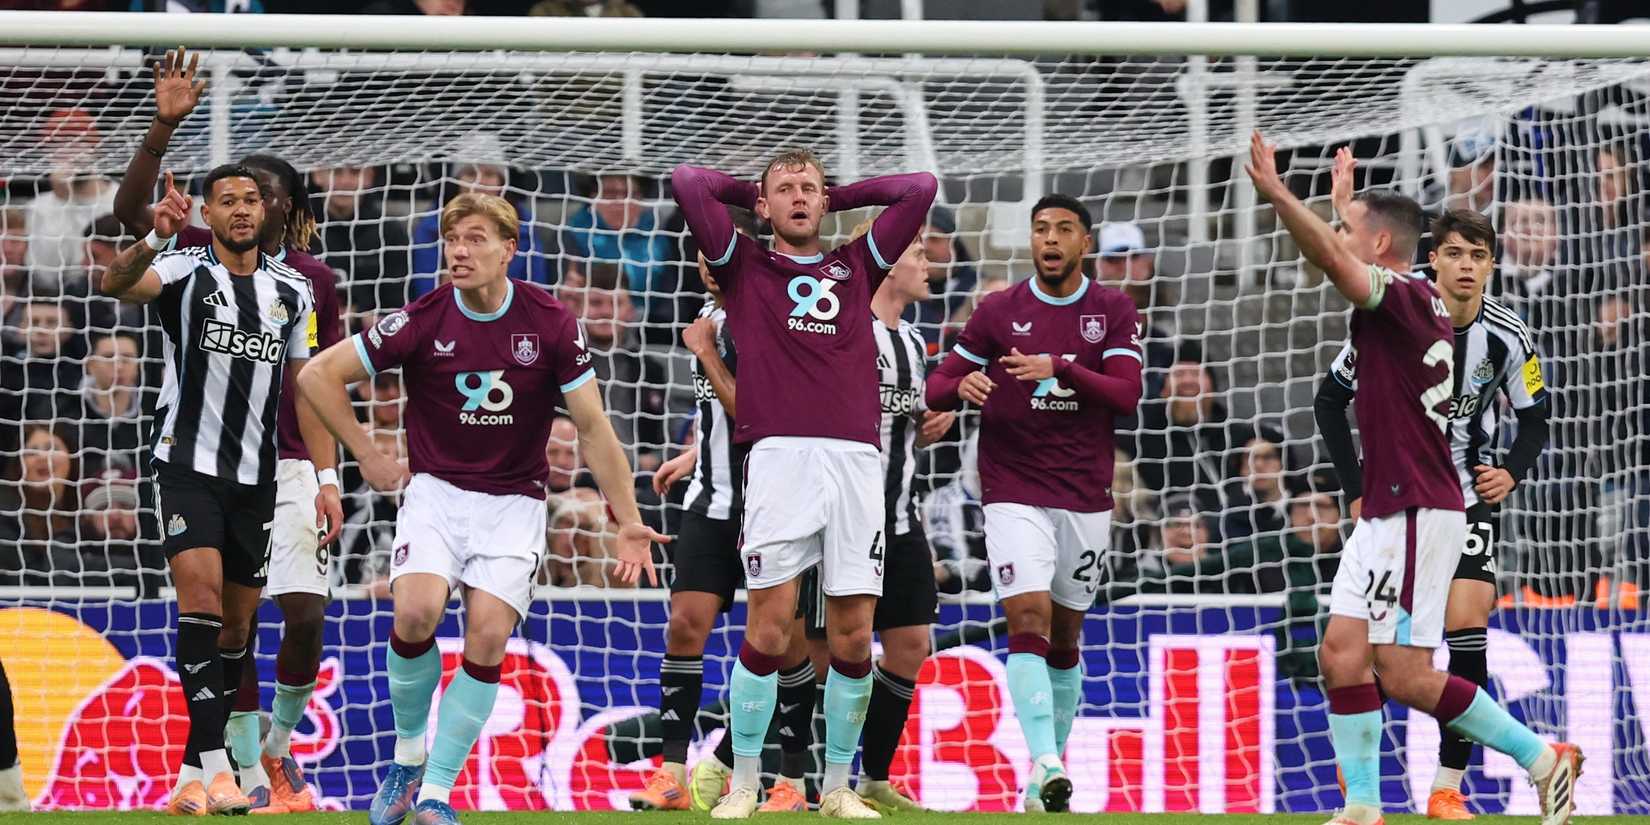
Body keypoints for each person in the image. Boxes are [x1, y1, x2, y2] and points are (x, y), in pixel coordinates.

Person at [296, 191, 665, 825]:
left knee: (488, 636)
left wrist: (627, 519)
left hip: (515, 503)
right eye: (451, 240)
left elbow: (594, 427)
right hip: (436, 493)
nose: (459, 252)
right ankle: (407, 759)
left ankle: (437, 792)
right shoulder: (421, 318)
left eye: (474, 239)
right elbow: (315, 375)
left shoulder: (552, 322)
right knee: (415, 614)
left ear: (508, 249)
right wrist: (367, 454)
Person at [1246, 130, 1579, 825]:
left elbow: (1333, 259)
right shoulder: (1415, 304)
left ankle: (1541, 759)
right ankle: (1364, 804)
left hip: (1420, 509)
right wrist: (1341, 210)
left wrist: (1278, 193)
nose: (1343, 239)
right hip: (1389, 507)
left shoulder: (1399, 298)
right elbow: (1344, 263)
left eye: (1352, 230)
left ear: (1378, 245)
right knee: (1341, 654)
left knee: (1405, 672)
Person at [112, 48, 347, 813]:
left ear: (278, 208)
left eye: (257, 196)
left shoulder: (299, 289)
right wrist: (160, 161)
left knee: (253, 623)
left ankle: (214, 767)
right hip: (188, 460)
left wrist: (329, 476)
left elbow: (311, 387)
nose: (246, 207)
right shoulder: (186, 263)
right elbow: (117, 269)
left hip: (268, 470)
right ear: (209, 211)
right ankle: (223, 764)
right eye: (232, 197)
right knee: (205, 603)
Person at [671, 151, 936, 819]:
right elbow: (688, 182)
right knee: (768, 627)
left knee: (853, 635)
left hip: (855, 462)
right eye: (784, 189)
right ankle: (744, 783)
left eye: (808, 189)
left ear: (824, 201)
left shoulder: (857, 264)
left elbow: (920, 187)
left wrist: (836, 196)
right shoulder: (744, 266)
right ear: (763, 206)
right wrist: (756, 192)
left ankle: (838, 786)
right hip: (780, 459)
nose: (799, 197)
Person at [1318, 195, 1553, 818]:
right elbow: (1329, 400)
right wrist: (1354, 486)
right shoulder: (1399, 309)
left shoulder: (1507, 335)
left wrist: (1511, 470)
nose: (1467, 266)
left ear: (1492, 265)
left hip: (1462, 499)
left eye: (1479, 256)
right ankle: (1363, 781)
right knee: (1366, 653)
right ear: (1433, 260)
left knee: (1464, 633)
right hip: (1397, 500)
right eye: (1454, 254)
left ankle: (1447, 786)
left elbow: (1535, 417)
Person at [926, 194, 1144, 812]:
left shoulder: (1113, 309)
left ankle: (1042, 780)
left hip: (1084, 494)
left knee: (1066, 637)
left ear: (1085, 242)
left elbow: (1127, 394)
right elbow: (937, 385)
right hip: (1013, 488)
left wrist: (1062, 368)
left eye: (1064, 229)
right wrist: (961, 383)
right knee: (1027, 618)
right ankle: (1047, 761)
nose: (1050, 239)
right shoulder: (999, 310)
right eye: (1041, 228)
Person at [627, 255, 759, 812]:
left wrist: (705, 352)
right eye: (701, 254)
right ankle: (672, 774)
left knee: (780, 644)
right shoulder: (709, 315)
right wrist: (695, 454)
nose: (708, 265)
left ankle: (730, 764)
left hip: (771, 508)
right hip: (710, 498)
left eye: (718, 252)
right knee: (684, 625)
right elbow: (720, 415)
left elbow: (758, 414)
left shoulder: (765, 317)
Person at [855, 222, 954, 811]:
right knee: (826, 653)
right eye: (918, 252)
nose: (928, 263)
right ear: (889, 262)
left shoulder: (914, 342)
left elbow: (909, 418)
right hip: (845, 521)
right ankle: (787, 773)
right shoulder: (847, 333)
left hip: (900, 516)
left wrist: (932, 418)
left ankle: (873, 777)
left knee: (911, 643)